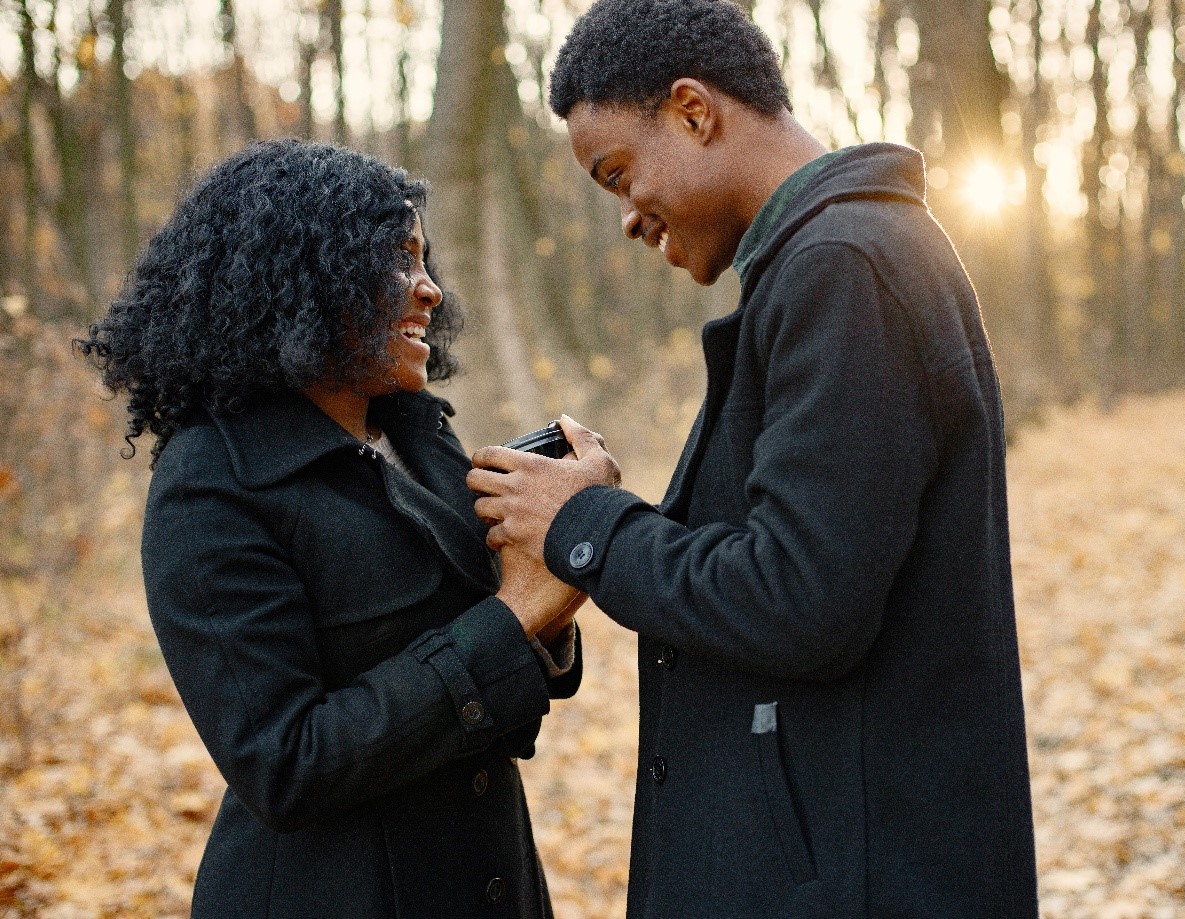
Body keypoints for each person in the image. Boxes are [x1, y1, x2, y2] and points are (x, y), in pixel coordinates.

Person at [465, 0, 1040, 916]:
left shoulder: (843, 267)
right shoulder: (826, 264)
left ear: (693, 111)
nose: (626, 218)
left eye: (619, 174)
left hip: (856, 882)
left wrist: (585, 527)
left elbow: (800, 600)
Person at [80, 139, 583, 918]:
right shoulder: (212, 482)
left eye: (425, 261)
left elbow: (496, 668)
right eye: (397, 261)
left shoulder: (418, 433)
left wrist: (552, 571)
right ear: (306, 274)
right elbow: (284, 766)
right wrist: (518, 614)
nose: (430, 290)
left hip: (488, 880)